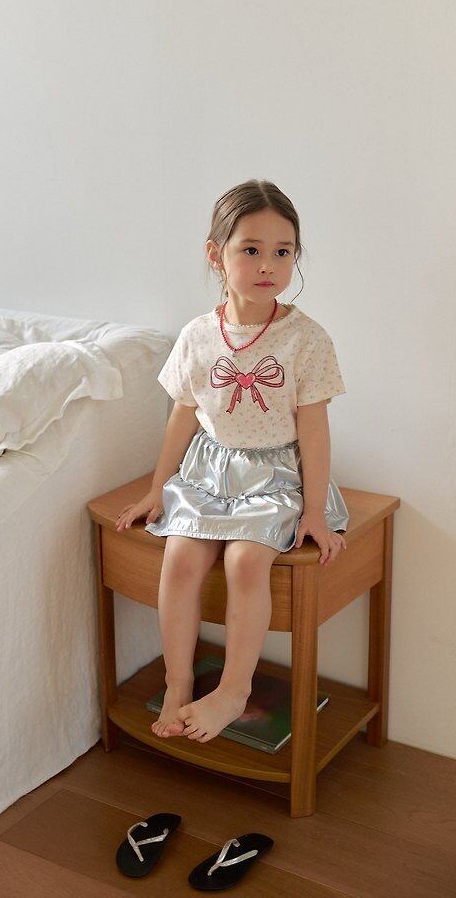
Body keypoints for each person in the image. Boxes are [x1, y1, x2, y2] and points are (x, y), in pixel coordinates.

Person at [115, 179, 349, 744]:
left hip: (276, 476)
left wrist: (315, 511)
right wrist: (157, 488)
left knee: (246, 562)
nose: (268, 264)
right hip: (207, 473)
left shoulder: (306, 339)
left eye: (283, 251)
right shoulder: (198, 335)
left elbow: (315, 432)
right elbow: (182, 416)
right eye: (251, 249)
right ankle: (177, 684)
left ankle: (233, 691)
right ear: (216, 254)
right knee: (180, 558)